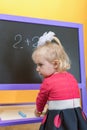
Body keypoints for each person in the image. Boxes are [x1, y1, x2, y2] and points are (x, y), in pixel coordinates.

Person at [32, 31, 87, 130]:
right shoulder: (71, 77)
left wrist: (38, 111)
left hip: (58, 118)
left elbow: (41, 99)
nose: (37, 68)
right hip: (76, 117)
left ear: (55, 64)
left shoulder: (48, 82)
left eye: (40, 64)